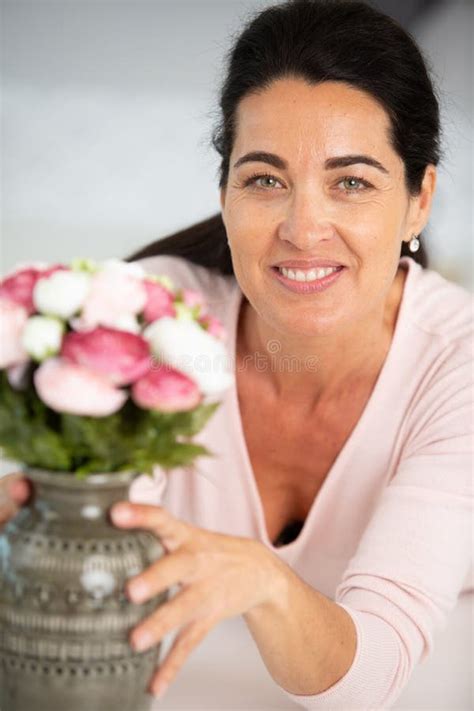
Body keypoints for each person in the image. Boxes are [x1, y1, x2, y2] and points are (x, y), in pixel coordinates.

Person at [1, 0, 472, 707]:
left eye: (351, 182)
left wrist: (264, 577)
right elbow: (95, 581)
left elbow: (373, 670)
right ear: (224, 192)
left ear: (417, 199)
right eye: (265, 178)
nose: (304, 226)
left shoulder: (458, 363)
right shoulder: (144, 322)